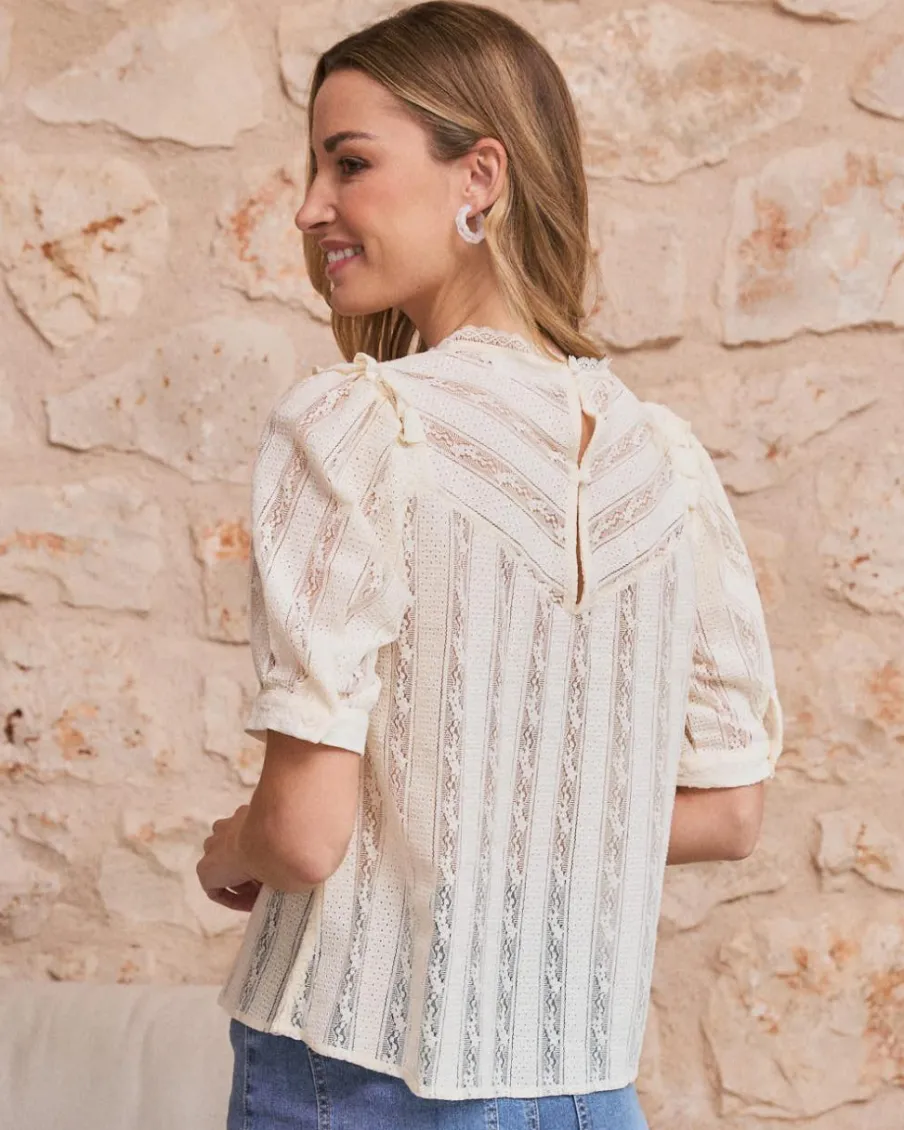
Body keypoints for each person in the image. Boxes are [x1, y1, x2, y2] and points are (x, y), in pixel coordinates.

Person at [196, 3, 784, 1127]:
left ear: (480, 175)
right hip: (581, 1083)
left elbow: (303, 839)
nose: (311, 206)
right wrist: (495, 809)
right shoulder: (664, 458)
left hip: (353, 1070)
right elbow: (728, 811)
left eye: (349, 163)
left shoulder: (360, 423)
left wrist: (231, 847)